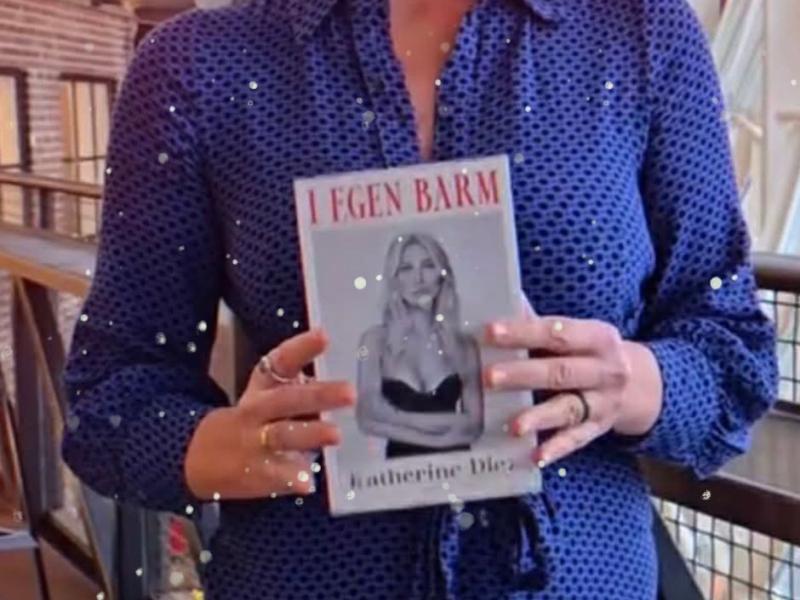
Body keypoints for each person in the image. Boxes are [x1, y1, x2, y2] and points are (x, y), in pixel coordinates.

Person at [60, 0, 779, 598]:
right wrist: (229, 447)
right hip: (302, 575)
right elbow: (112, 399)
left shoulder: (641, 31)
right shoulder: (198, 65)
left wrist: (630, 384)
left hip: (579, 577)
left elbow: (733, 360)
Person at [355, 233, 483, 459]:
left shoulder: (465, 345)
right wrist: (442, 434)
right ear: (394, 279)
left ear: (442, 275)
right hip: (398, 473)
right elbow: (366, 419)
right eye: (406, 268)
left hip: (460, 469)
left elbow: (474, 426)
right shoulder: (372, 342)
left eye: (428, 266)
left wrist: (391, 417)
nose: (419, 278)